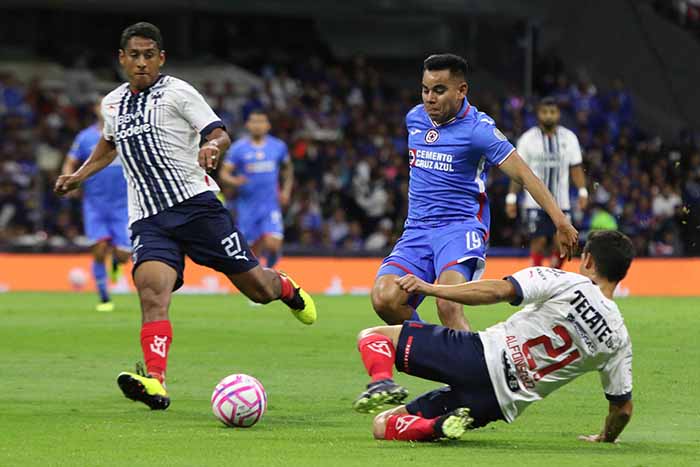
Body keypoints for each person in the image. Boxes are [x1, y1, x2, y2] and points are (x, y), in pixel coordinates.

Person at [55, 22, 316, 411]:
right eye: (134, 55)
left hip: (197, 208)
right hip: (148, 217)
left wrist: (212, 147)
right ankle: (156, 382)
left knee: (258, 290)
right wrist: (79, 176)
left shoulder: (179, 92)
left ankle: (286, 289)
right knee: (151, 292)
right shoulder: (112, 103)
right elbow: (109, 145)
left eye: (149, 55)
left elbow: (219, 133)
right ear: (122, 59)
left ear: (160, 58)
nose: (141, 63)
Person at [370, 53, 579, 404]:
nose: (429, 98)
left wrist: (560, 220)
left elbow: (525, 174)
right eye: (425, 90)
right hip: (417, 231)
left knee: (448, 304)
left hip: (460, 228)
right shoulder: (415, 119)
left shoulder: (479, 130)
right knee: (385, 298)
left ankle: (479, 383)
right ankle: (445, 360)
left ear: (461, 90)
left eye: (439, 90)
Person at [352, 230, 634, 444]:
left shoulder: (571, 283)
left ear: (588, 260)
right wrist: (605, 438)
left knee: (373, 337)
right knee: (384, 425)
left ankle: (381, 383)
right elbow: (622, 408)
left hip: (479, 357)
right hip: (498, 403)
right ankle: (436, 426)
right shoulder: (618, 337)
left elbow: (497, 291)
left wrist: (432, 289)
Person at [61, 97, 130, 312]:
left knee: (124, 255)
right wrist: (69, 179)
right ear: (96, 109)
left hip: (124, 204)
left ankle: (116, 263)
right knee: (99, 250)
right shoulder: (85, 137)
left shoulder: (127, 133)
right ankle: (104, 297)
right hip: (95, 204)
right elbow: (70, 161)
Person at [506, 97, 588, 268]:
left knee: (563, 241)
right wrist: (511, 197)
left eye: (552, 112)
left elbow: (576, 167)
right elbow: (518, 171)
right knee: (539, 241)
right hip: (534, 202)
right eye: (544, 112)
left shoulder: (569, 138)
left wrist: (582, 191)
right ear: (538, 114)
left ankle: (553, 273)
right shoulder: (527, 139)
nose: (548, 116)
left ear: (558, 114)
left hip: (562, 202)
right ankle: (536, 275)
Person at [219, 109, 293, 268]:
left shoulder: (278, 146)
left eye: (261, 121)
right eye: (254, 121)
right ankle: (262, 274)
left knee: (273, 244)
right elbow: (224, 174)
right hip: (247, 207)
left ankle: (270, 269)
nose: (257, 125)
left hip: (270, 205)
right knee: (251, 250)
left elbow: (288, 169)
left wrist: (286, 191)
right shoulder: (238, 148)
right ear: (247, 125)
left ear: (268, 125)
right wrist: (234, 181)